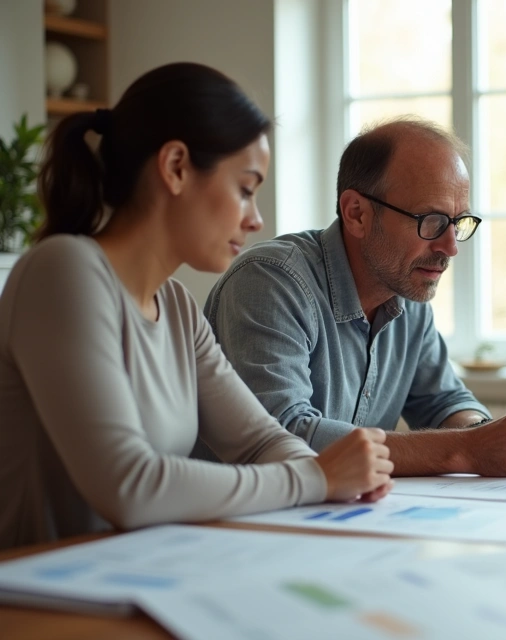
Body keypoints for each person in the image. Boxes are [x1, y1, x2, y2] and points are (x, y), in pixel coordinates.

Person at [0, 62, 392, 551]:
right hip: (36, 599)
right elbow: (130, 486)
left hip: (130, 576)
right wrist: (316, 479)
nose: (256, 219)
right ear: (176, 167)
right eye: (246, 189)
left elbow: (259, 441)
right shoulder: (63, 272)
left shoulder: (177, 308)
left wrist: (333, 476)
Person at [203, 117, 506, 478]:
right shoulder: (271, 281)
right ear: (356, 213)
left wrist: (488, 433)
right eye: (432, 221)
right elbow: (282, 437)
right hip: (231, 525)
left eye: (458, 223)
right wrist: (467, 449)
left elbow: (444, 402)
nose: (451, 247)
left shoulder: (405, 292)